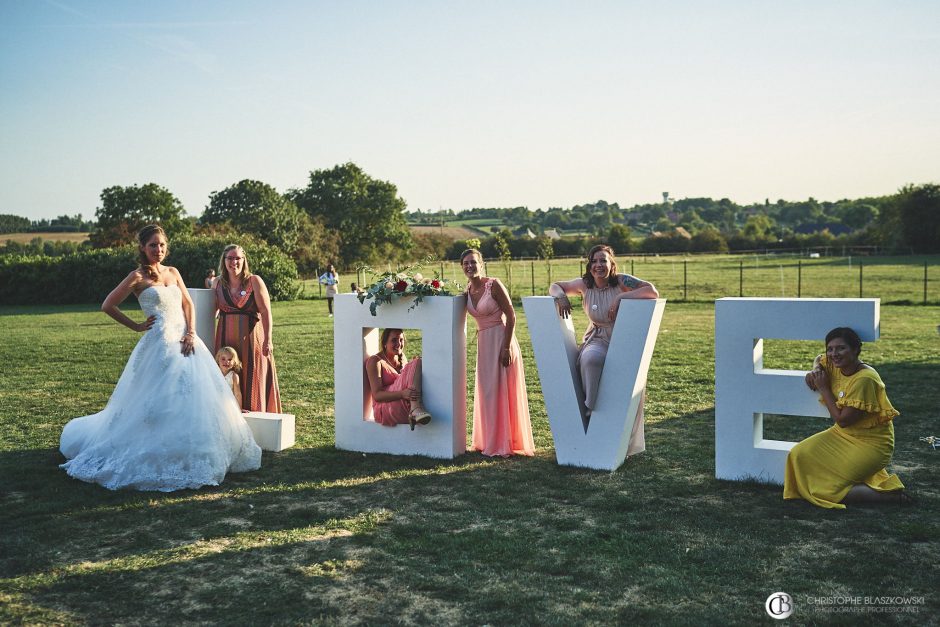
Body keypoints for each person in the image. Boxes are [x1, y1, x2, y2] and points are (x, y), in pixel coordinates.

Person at [59, 225, 261, 491]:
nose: (159, 250)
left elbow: (188, 304)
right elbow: (108, 305)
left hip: (187, 342)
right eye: (153, 245)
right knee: (157, 401)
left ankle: (196, 450)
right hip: (158, 344)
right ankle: (155, 449)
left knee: (198, 399)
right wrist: (136, 326)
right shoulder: (137, 277)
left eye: (162, 245)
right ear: (143, 247)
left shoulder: (173, 272)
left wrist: (191, 332)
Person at [548, 244, 659, 454]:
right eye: (595, 261)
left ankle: (617, 428)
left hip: (622, 340)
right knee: (590, 359)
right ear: (590, 265)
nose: (599, 265)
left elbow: (652, 291)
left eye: (603, 261)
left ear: (611, 264)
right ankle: (591, 412)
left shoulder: (622, 282)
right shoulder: (584, 284)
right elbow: (554, 286)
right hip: (598, 338)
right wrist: (562, 297)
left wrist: (621, 297)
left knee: (623, 380)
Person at [783, 327, 908, 508]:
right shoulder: (835, 365)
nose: (834, 354)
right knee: (798, 454)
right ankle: (853, 487)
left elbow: (842, 420)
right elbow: (819, 358)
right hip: (843, 436)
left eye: (841, 348)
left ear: (856, 349)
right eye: (830, 348)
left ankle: (889, 497)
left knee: (828, 488)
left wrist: (824, 387)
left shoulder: (865, 379)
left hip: (871, 444)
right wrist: (816, 370)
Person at [460, 249, 535, 457]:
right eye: (466, 263)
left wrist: (506, 346)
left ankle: (505, 442)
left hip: (502, 340)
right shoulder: (467, 290)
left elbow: (512, 316)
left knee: (503, 390)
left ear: (481, 264)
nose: (469, 266)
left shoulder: (493, 284)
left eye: (473, 262)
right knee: (487, 392)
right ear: (461, 267)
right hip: (484, 344)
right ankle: (488, 440)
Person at [214, 244, 282, 413]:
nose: (234, 262)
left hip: (252, 339)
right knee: (225, 373)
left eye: (238, 258)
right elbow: (211, 311)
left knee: (252, 374)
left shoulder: (254, 281)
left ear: (244, 260)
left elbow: (266, 312)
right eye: (230, 258)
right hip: (225, 338)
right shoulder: (217, 283)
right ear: (224, 260)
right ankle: (227, 416)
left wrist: (268, 340)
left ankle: (255, 413)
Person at [365, 328, 431, 430]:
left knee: (418, 362)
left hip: (401, 402)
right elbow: (377, 395)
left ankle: (415, 409)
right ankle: (415, 409)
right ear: (384, 343)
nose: (398, 344)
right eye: (394, 340)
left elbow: (407, 383)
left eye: (401, 340)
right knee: (418, 362)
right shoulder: (375, 361)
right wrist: (402, 394)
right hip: (385, 408)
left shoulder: (402, 358)